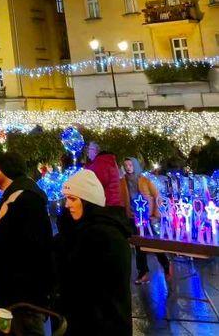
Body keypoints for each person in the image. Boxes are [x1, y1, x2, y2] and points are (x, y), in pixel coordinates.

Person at [0, 152, 53, 336]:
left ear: (5, 169)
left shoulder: (27, 201)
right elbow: (7, 234)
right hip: (10, 295)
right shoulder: (12, 197)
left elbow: (28, 250)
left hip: (24, 298)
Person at [54, 169, 133, 334]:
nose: (67, 204)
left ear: (87, 201)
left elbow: (78, 281)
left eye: (72, 198)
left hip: (99, 326)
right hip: (85, 321)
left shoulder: (101, 236)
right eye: (66, 198)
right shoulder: (83, 230)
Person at [121, 156, 169, 282]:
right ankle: (143, 272)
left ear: (135, 166)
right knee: (138, 245)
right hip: (133, 216)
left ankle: (166, 266)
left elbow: (157, 196)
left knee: (153, 242)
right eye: (126, 165)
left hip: (146, 216)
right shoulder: (122, 182)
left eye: (130, 165)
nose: (128, 168)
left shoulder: (144, 180)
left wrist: (155, 215)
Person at [85, 141, 124, 208]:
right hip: (114, 203)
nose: (88, 151)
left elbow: (95, 185)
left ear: (96, 151)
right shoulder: (107, 161)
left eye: (90, 149)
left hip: (107, 206)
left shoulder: (101, 163)